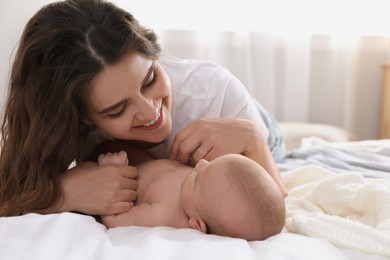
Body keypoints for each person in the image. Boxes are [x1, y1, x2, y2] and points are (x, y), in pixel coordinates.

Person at [0, 0, 286, 217]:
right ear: (83, 118)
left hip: (257, 129)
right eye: (116, 110)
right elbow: (10, 195)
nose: (151, 113)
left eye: (150, 79)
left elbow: (274, 205)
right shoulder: (67, 125)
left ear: (155, 53)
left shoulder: (214, 91)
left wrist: (252, 138)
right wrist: (62, 195)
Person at [98, 151, 286, 241]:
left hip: (125, 174)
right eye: (211, 163)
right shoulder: (206, 191)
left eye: (198, 177)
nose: (201, 163)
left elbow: (115, 220)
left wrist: (111, 171)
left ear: (197, 224)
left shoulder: (164, 214)